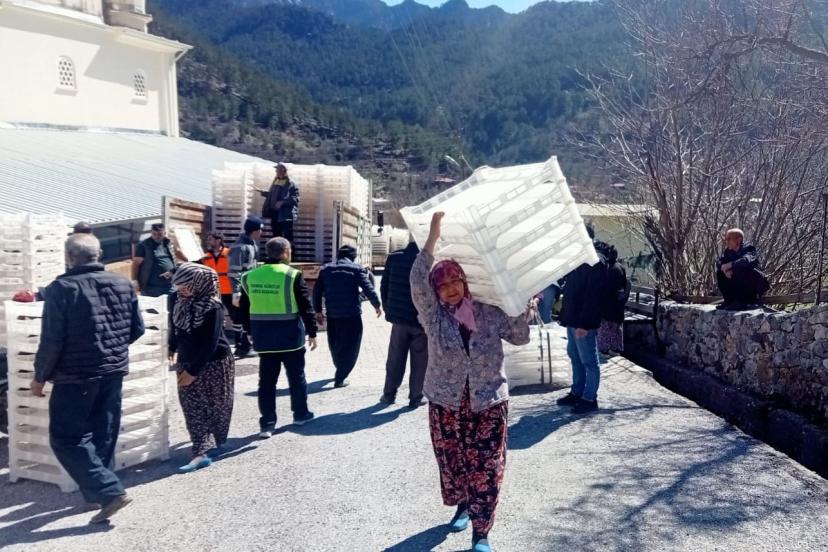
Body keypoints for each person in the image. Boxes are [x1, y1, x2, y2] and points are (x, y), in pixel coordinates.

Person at [410, 212, 531, 552]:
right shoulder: (433, 317)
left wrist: (520, 304)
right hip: (446, 402)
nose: (450, 289)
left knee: (487, 466)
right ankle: (463, 503)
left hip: (488, 400)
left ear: (465, 282)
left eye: (455, 282)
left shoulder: (488, 312)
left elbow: (520, 336)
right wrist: (432, 238)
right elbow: (417, 281)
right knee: (454, 462)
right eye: (443, 285)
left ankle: (481, 532)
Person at [31, 233, 144, 524]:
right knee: (102, 433)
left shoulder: (60, 289)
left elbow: (52, 340)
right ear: (99, 255)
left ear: (69, 257)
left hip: (75, 375)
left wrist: (40, 377)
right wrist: (110, 350)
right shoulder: (123, 283)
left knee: (66, 438)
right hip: (113, 370)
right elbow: (137, 329)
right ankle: (98, 494)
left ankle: (108, 492)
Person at [240, 237, 318, 438]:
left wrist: (249, 332)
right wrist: (312, 332)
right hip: (290, 337)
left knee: (266, 382)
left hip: (263, 338)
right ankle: (300, 414)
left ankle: (267, 424)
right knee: (296, 377)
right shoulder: (292, 275)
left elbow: (244, 309)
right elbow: (305, 306)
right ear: (285, 253)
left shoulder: (249, 277)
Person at [169, 263, 235, 473]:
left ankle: (214, 443)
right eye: (179, 285)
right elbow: (175, 327)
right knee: (191, 406)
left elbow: (210, 343)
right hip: (187, 360)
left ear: (200, 283)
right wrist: (172, 346)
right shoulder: (178, 301)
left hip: (215, 362)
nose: (181, 290)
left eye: (185, 285)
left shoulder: (213, 307)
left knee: (217, 406)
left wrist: (193, 372)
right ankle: (201, 451)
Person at [312, 244, 382, 388]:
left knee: (335, 344)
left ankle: (339, 366)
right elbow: (368, 288)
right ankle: (340, 376)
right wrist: (376, 305)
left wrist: (318, 310)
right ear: (353, 257)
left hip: (333, 315)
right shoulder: (356, 269)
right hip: (352, 316)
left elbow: (316, 291)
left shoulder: (326, 269)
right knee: (351, 347)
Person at [556, 225, 609, 414]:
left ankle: (589, 398)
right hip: (573, 319)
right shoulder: (579, 259)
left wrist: (585, 324)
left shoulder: (595, 261)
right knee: (575, 357)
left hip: (583, 322)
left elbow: (594, 297)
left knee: (588, 361)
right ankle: (577, 392)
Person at [379, 238, 428, 408]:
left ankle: (389, 394)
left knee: (395, 358)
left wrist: (389, 310)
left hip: (399, 321)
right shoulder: (428, 260)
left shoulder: (394, 257)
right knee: (420, 360)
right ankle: (416, 396)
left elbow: (384, 286)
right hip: (421, 322)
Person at [228, 217, 262, 358]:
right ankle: (243, 348)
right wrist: (236, 292)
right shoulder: (240, 247)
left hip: (249, 288)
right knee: (243, 318)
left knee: (247, 317)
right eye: (260, 229)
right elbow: (234, 272)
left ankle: (245, 347)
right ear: (254, 231)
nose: (261, 232)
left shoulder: (252, 244)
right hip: (242, 289)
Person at [716, 228, 770, 310]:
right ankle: (729, 301)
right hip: (737, 285)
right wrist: (725, 270)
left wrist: (730, 265)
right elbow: (719, 262)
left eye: (729, 239)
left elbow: (746, 261)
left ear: (739, 239)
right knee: (720, 273)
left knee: (740, 268)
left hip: (753, 285)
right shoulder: (728, 251)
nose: (726, 241)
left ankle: (742, 302)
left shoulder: (749, 248)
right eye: (726, 239)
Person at [596, 240, 628, 354]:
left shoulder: (606, 267)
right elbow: (625, 285)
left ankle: (605, 348)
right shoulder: (621, 267)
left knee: (605, 326)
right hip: (618, 303)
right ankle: (615, 348)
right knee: (616, 327)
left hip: (607, 303)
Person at [132, 223, 177, 297]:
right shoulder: (143, 245)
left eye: (159, 234)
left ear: (164, 233)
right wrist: (134, 280)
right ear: (151, 233)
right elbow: (135, 264)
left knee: (173, 302)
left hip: (169, 285)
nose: (156, 236)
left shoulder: (168, 242)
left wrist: (188, 262)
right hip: (151, 287)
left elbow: (176, 254)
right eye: (154, 234)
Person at [261, 163, 299, 245]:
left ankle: (289, 253)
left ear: (283, 170)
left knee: (288, 238)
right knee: (276, 237)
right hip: (275, 215)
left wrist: (283, 202)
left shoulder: (291, 183)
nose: (276, 171)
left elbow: (295, 199)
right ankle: (276, 253)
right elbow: (274, 195)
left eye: (277, 169)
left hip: (285, 216)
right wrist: (264, 193)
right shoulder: (276, 181)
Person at [199, 231, 233, 321]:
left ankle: (237, 331)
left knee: (234, 314)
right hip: (213, 290)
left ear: (218, 240)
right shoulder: (206, 256)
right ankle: (220, 329)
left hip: (228, 290)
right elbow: (194, 264)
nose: (208, 241)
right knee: (216, 315)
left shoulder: (230, 253)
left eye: (210, 239)